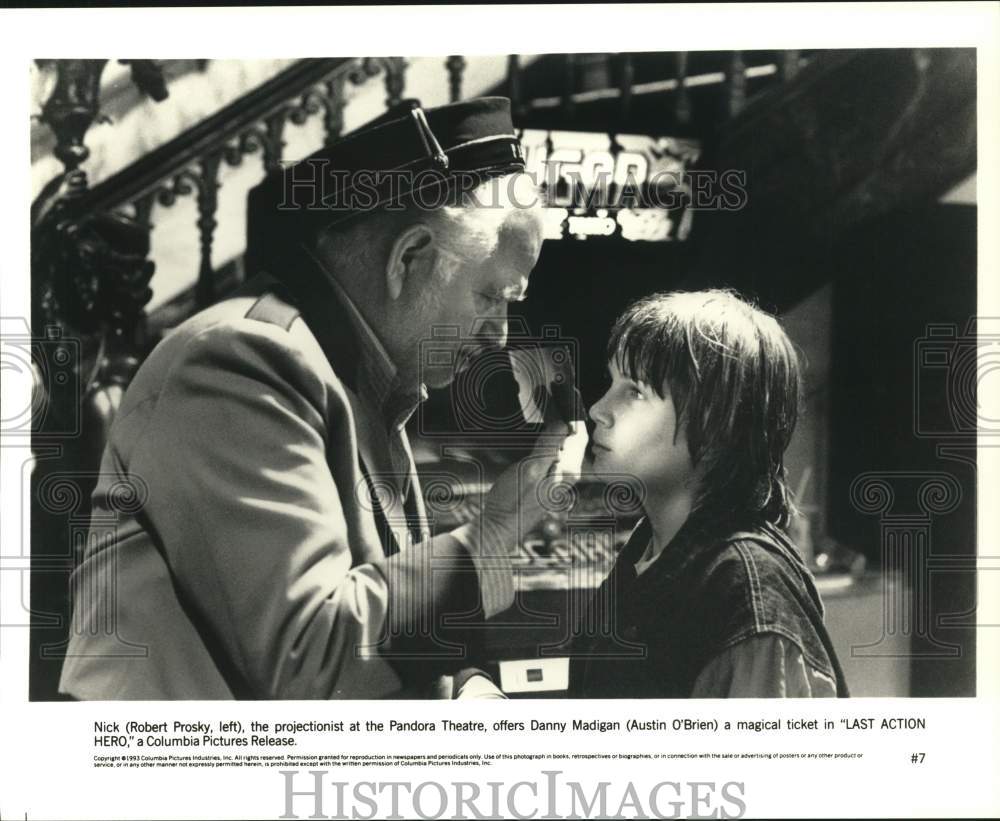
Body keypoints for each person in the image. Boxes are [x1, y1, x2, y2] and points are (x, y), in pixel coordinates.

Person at [59, 97, 572, 700]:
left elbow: (385, 624)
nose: (500, 334)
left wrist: (472, 694)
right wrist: (499, 528)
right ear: (408, 259)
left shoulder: (362, 379)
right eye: (492, 297)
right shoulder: (243, 360)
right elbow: (314, 658)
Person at [573, 290, 849, 698]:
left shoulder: (745, 594)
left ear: (719, 422)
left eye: (634, 391)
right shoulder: (651, 548)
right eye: (612, 382)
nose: (597, 409)